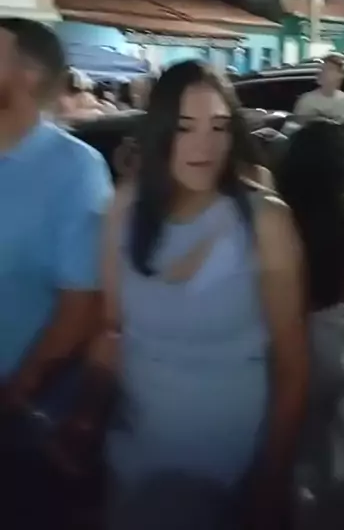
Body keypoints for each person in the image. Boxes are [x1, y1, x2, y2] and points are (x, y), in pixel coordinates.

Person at [58, 60, 307, 530]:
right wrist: (86, 415)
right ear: (160, 132)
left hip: (235, 472)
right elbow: (111, 331)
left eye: (219, 127)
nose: (204, 145)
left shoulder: (265, 220)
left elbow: (292, 366)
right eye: (185, 127)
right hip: (135, 466)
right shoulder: (126, 209)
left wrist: (271, 482)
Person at [0, 18, 113, 528]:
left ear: (28, 75)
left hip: (26, 425)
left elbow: (82, 306)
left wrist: (16, 393)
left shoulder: (75, 169)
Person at [275, 120, 344, 523]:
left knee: (292, 448)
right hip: (336, 337)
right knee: (339, 452)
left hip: (283, 337)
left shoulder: (275, 216)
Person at [293, 54, 344, 124]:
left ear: (340, 75)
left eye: (330, 69)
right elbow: (298, 127)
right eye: (323, 70)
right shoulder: (306, 101)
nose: (324, 73)